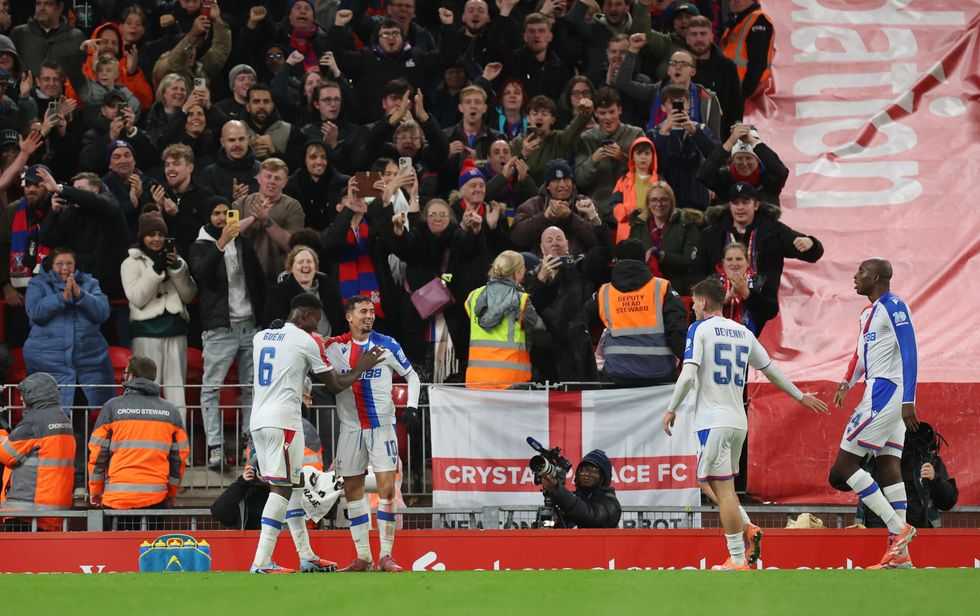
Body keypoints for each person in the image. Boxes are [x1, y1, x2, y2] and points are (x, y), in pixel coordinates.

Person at [662, 278, 827, 570]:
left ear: (702, 303)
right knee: (714, 483)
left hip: (712, 421)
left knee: (720, 489)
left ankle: (737, 557)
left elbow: (688, 375)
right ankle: (747, 528)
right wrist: (800, 396)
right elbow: (771, 370)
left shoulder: (698, 329)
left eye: (695, 303)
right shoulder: (743, 332)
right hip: (738, 420)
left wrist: (671, 409)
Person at [247, 293, 384, 574]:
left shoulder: (261, 337)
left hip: (258, 420)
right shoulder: (306, 341)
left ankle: (306, 555)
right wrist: (362, 366)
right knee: (282, 489)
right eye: (317, 322)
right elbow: (336, 384)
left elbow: (280, 342)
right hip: (283, 421)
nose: (319, 329)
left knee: (295, 485)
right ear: (307, 316)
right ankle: (261, 561)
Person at [829, 258, 920, 570]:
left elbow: (910, 351)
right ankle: (901, 556)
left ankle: (898, 529)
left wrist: (909, 399)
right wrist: (846, 381)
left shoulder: (894, 306)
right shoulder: (867, 313)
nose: (855, 276)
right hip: (879, 390)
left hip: (886, 392)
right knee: (887, 466)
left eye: (862, 271)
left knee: (844, 465)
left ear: (878, 277)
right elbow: (860, 356)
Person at [324, 295, 421, 572]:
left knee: (387, 488)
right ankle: (364, 556)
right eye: (363, 311)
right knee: (353, 491)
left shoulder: (387, 344)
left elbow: (412, 375)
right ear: (349, 317)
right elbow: (311, 357)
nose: (369, 315)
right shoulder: (334, 348)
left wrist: (411, 407)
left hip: (382, 426)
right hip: (350, 428)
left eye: (371, 311)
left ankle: (386, 555)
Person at [188, 196, 267, 470]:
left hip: (250, 326)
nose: (222, 218)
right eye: (216, 213)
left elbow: (259, 282)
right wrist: (220, 244)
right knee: (211, 389)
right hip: (220, 329)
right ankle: (215, 448)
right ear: (208, 218)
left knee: (252, 389)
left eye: (226, 213)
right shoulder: (199, 246)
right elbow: (201, 275)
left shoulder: (244, 244)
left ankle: (251, 445)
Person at [87, 356, 188, 526]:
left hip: (117, 500)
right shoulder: (170, 411)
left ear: (131, 376)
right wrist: (171, 494)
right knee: (149, 552)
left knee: (116, 552)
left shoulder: (112, 407)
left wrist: (95, 490)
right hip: (155, 499)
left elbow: (97, 455)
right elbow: (179, 458)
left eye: (125, 373)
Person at [120, 210, 198, 425]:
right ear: (142, 237)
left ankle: (180, 444)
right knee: (145, 388)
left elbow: (189, 294)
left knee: (177, 391)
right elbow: (137, 298)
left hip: (176, 331)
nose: (156, 239)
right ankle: (147, 435)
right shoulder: (130, 263)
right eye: (151, 234)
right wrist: (154, 271)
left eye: (160, 234)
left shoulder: (177, 261)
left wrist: (176, 269)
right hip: (146, 333)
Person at [694, 182, 823, 306]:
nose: (740, 207)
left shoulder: (773, 230)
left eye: (745, 202)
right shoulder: (712, 234)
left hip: (761, 304)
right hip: (720, 304)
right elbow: (698, 270)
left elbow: (812, 255)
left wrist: (811, 244)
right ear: (729, 205)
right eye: (735, 202)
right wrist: (707, 298)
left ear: (756, 205)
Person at [24, 246, 114, 411]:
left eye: (69, 263)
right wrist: (62, 297)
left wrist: (80, 294)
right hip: (47, 362)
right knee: (47, 416)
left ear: (76, 265)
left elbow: (102, 312)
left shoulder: (90, 283)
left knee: (83, 416)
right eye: (59, 264)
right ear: (51, 265)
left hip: (88, 362)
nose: (65, 268)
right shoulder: (37, 283)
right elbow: (35, 312)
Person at [593, 239, 688, 386]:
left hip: (617, 373)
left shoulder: (604, 292)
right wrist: (688, 364)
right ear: (645, 258)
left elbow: (579, 322)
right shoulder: (661, 287)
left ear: (616, 261)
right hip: (659, 372)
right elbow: (677, 330)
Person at [0, 372, 74, 531]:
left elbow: (6, 454)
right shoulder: (63, 419)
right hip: (54, 511)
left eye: (24, 394)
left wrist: (1, 433)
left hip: (27, 511)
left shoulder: (33, 422)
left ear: (34, 395)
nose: (21, 399)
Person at [856, 422, 958, 536]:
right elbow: (840, 481)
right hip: (878, 531)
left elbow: (948, 502)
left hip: (919, 534)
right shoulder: (872, 456)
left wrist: (935, 479)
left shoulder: (928, 460)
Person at [464, 250, 545, 389]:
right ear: (517, 273)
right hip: (512, 381)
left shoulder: (473, 297)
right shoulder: (521, 300)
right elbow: (540, 329)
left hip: (476, 381)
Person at [627, 181, 700, 295]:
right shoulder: (638, 226)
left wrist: (665, 257)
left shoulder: (686, 225)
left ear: (671, 202)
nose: (659, 204)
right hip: (643, 288)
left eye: (664, 199)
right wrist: (644, 259)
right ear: (648, 203)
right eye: (654, 200)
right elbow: (630, 261)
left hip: (677, 289)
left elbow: (690, 260)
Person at [697, 123, 789, 206]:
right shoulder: (724, 181)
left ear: (757, 160)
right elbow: (704, 175)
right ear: (733, 159)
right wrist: (730, 142)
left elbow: (781, 172)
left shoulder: (769, 182)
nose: (744, 163)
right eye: (739, 158)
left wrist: (754, 143)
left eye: (749, 158)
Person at [539, 449, 621, 529]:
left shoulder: (611, 503)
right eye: (583, 469)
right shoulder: (572, 499)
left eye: (594, 470)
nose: (587, 474)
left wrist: (557, 489)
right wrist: (556, 522)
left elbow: (590, 518)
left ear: (603, 477)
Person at [712, 241, 777, 336]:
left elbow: (771, 311)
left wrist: (747, 293)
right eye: (729, 259)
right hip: (716, 339)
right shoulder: (712, 282)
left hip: (751, 341)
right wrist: (727, 298)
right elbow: (700, 311)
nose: (734, 263)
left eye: (739, 259)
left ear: (747, 262)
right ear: (723, 262)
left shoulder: (760, 281)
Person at [720, 0, 775, 103]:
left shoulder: (758, 20)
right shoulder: (736, 23)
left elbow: (758, 64)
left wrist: (741, 96)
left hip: (748, 99)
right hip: (733, 94)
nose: (735, 0)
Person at [610, 136, 659, 243]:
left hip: (653, 230)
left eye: (647, 153)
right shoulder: (623, 180)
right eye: (639, 153)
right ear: (632, 156)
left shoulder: (660, 182)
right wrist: (629, 212)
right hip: (627, 231)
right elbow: (615, 204)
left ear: (653, 156)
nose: (643, 157)